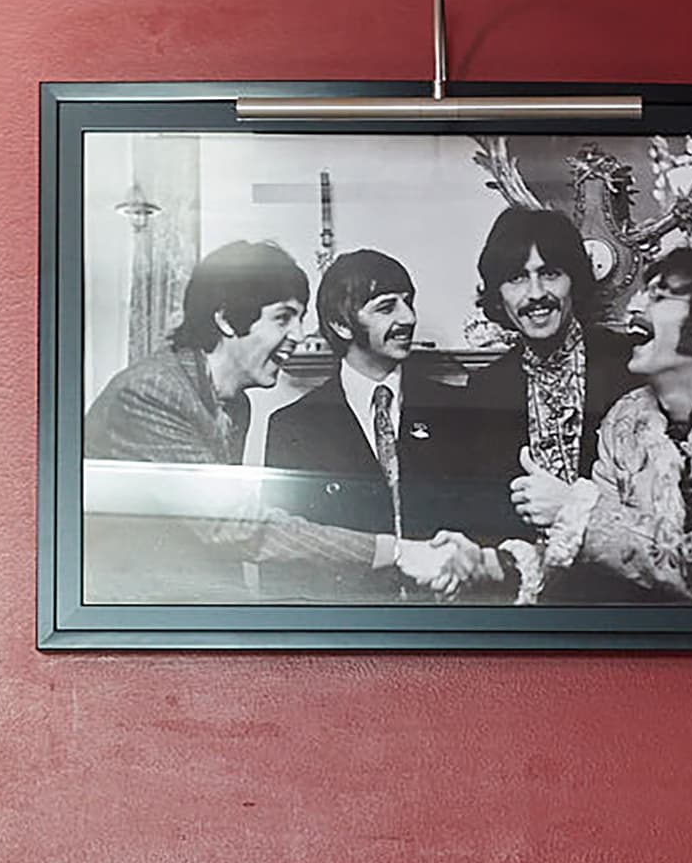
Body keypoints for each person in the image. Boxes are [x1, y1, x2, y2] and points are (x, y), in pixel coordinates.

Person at [81, 239, 464, 604]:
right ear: (227, 319)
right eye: (283, 318)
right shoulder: (153, 393)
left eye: (299, 318)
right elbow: (238, 528)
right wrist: (395, 550)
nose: (298, 335)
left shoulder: (235, 403)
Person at [508, 246, 692, 607]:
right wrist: (495, 567)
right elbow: (602, 567)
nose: (632, 308)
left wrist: (573, 509)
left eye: (658, 296)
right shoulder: (625, 422)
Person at [264, 250, 479, 576]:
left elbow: (481, 532)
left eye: (408, 302)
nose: (407, 318)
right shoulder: (292, 427)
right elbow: (284, 565)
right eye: (386, 307)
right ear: (341, 324)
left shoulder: (458, 410)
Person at [461, 208, 637, 584]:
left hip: (626, 586)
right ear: (498, 294)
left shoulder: (630, 365)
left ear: (575, 280)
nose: (536, 294)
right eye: (517, 278)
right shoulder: (485, 388)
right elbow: (485, 517)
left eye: (550, 273)